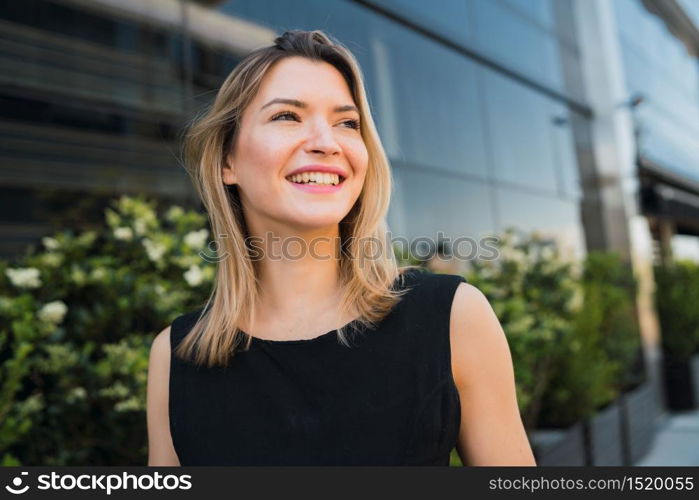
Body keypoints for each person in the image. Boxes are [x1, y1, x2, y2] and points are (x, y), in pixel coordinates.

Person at [146, 29, 536, 466]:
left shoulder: (453, 318)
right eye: (287, 117)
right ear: (226, 161)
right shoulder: (176, 356)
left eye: (346, 123)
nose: (326, 143)